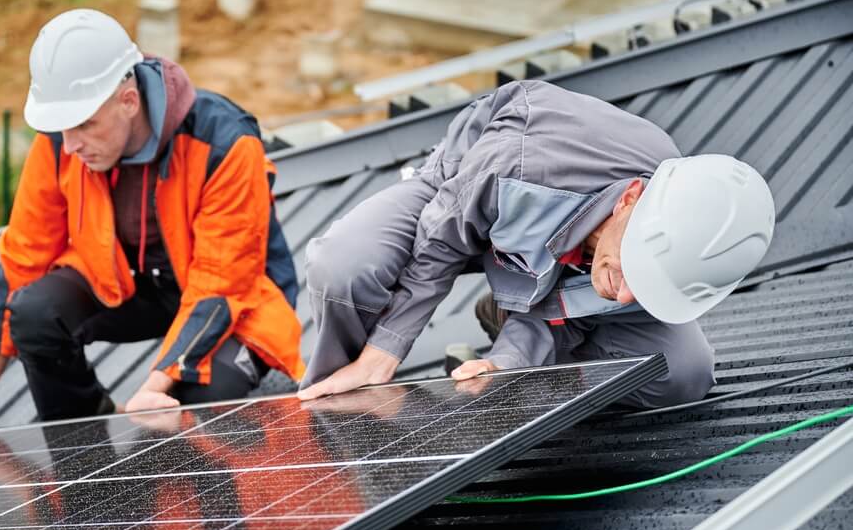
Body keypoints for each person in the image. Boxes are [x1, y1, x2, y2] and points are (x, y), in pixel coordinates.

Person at [0, 9, 304, 444]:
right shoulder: (63, 138)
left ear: (128, 101)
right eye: (62, 129)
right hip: (132, 283)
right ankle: (85, 450)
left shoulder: (223, 143)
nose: (71, 145)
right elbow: (24, 257)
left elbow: (220, 287)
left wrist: (153, 388)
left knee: (198, 404)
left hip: (231, 301)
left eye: (85, 125)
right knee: (33, 313)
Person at [298, 80, 775, 405]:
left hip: (544, 251)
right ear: (630, 198)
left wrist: (507, 364)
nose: (627, 293)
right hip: (459, 191)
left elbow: (572, 305)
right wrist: (386, 351)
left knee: (682, 372)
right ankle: (340, 400)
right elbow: (439, 242)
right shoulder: (521, 166)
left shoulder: (674, 231)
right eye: (634, 268)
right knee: (346, 266)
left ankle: (505, 324)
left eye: (648, 281)